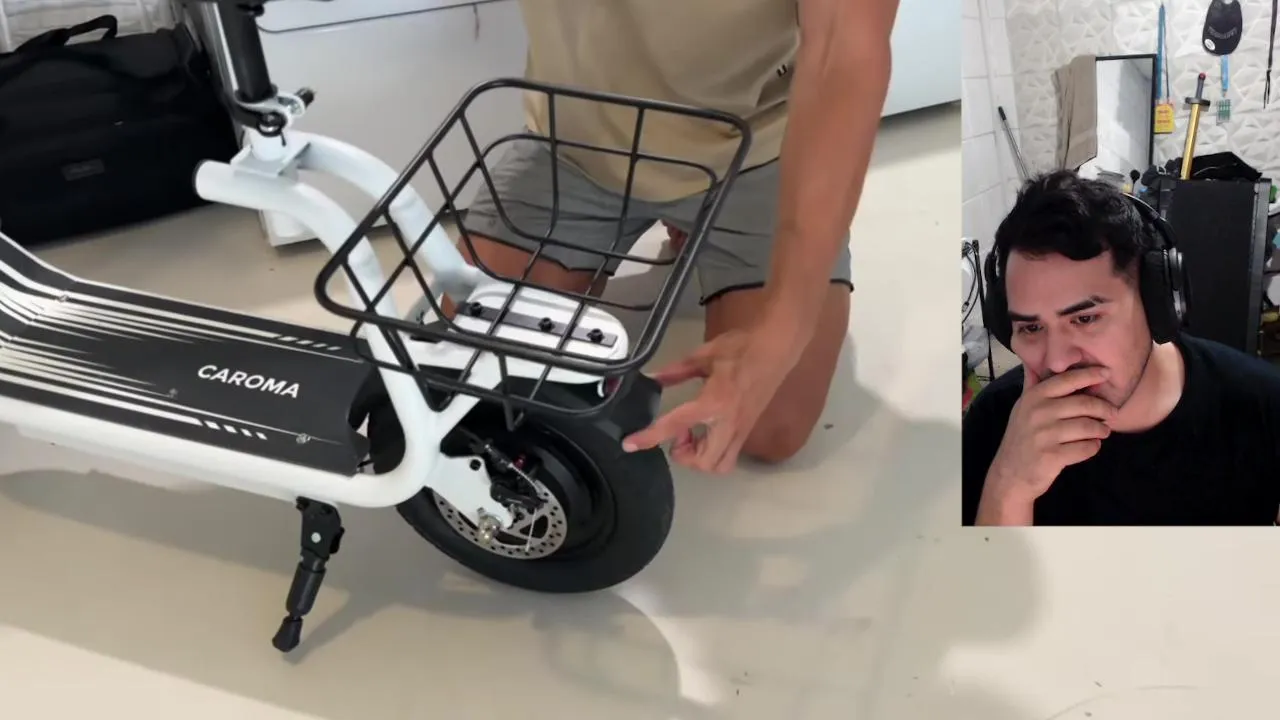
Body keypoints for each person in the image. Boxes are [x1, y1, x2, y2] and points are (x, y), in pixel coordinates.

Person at [450, 0, 900, 474]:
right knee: (472, 367)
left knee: (772, 423)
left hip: (752, 149)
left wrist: (785, 327)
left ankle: (714, 230)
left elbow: (844, 52)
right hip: (574, 141)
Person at [963, 171, 1280, 526]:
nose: (1057, 361)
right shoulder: (994, 425)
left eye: (1085, 319)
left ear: (1157, 304)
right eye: (1032, 328)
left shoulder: (1263, 407)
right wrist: (1009, 487)